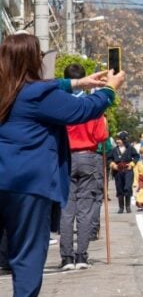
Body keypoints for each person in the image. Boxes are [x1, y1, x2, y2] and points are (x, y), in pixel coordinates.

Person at [0, 33, 124, 297]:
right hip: (27, 184)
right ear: (31, 59)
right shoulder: (36, 95)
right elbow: (81, 110)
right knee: (28, 249)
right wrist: (109, 90)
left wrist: (77, 83)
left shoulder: (11, 90)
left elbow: (40, 89)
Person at [59, 63, 110, 272]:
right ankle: (82, 255)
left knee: (66, 209)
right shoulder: (91, 105)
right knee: (86, 208)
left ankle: (66, 257)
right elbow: (101, 137)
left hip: (65, 157)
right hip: (88, 157)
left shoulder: (60, 103)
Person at [107, 133, 138, 214]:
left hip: (128, 170)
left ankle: (128, 207)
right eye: (117, 139)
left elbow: (136, 156)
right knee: (119, 188)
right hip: (118, 171)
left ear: (124, 140)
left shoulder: (130, 148)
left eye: (119, 139)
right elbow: (109, 158)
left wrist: (132, 164)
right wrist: (113, 165)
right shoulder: (114, 150)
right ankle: (121, 207)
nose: (117, 141)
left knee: (127, 187)